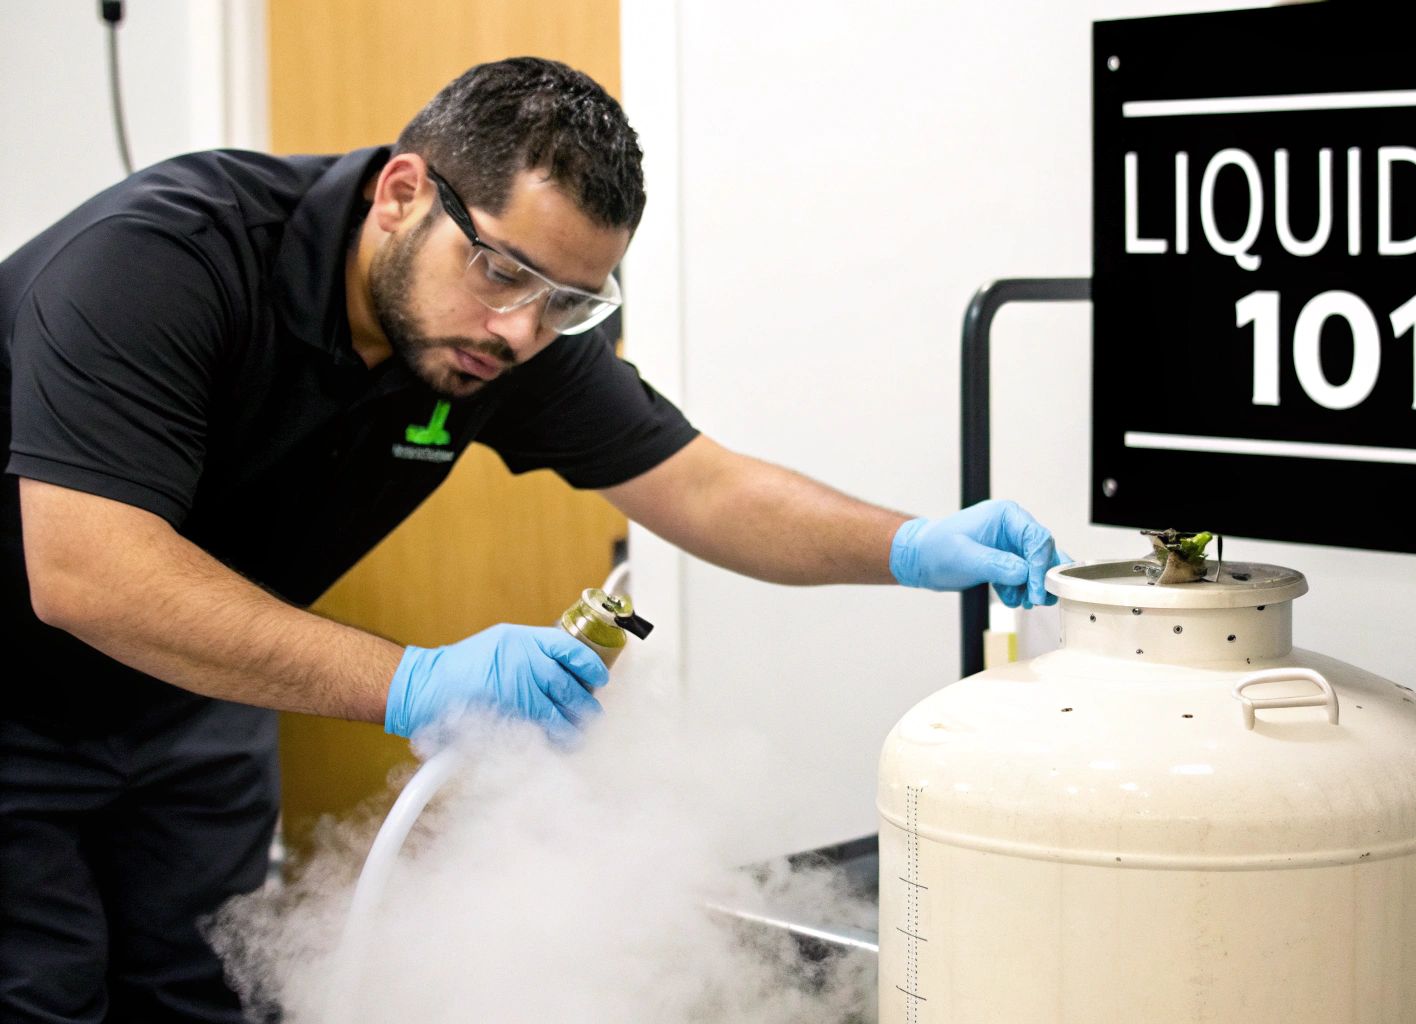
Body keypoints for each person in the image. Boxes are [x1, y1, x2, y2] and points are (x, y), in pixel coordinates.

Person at [0, 57, 1067, 1022]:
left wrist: (910, 543)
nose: (521, 330)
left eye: (567, 303)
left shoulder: (504, 334)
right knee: (40, 990)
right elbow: (88, 570)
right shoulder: (163, 261)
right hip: (16, 690)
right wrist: (416, 680)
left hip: (195, 690)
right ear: (401, 194)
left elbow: (704, 487)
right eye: (503, 273)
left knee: (198, 991)